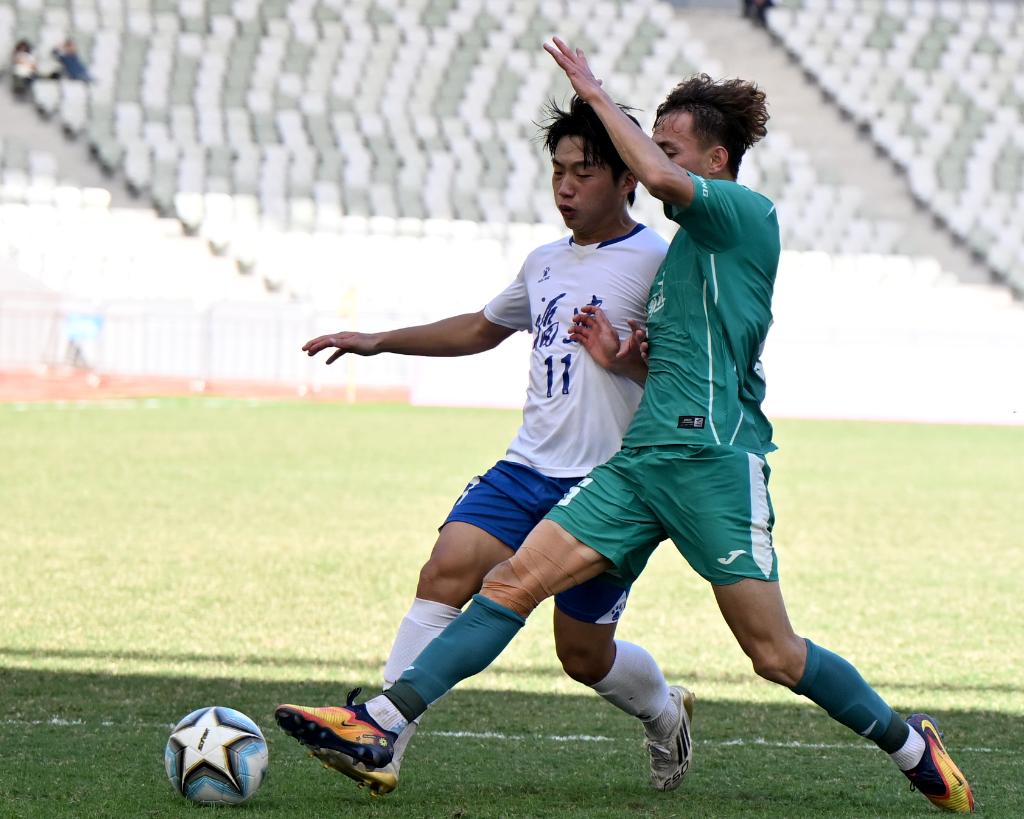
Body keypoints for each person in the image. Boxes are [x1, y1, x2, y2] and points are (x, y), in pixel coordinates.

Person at [277, 39, 977, 814]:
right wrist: (621, 356)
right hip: (637, 466)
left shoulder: (746, 216)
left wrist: (594, 92)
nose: (652, 163)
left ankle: (912, 744)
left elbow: (658, 185)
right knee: (510, 582)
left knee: (775, 654)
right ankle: (381, 722)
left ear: (715, 159)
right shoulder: (679, 263)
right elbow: (673, 361)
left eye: (667, 150)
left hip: (713, 464)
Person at [278, 97, 695, 795]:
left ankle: (664, 711)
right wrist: (379, 341)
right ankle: (383, 739)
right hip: (526, 466)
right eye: (557, 171)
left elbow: (686, 382)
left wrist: (624, 361)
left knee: (583, 655)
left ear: (628, 178)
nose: (565, 186)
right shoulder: (544, 262)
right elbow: (481, 328)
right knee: (446, 568)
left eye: (584, 172)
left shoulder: (660, 263)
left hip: (608, 485)